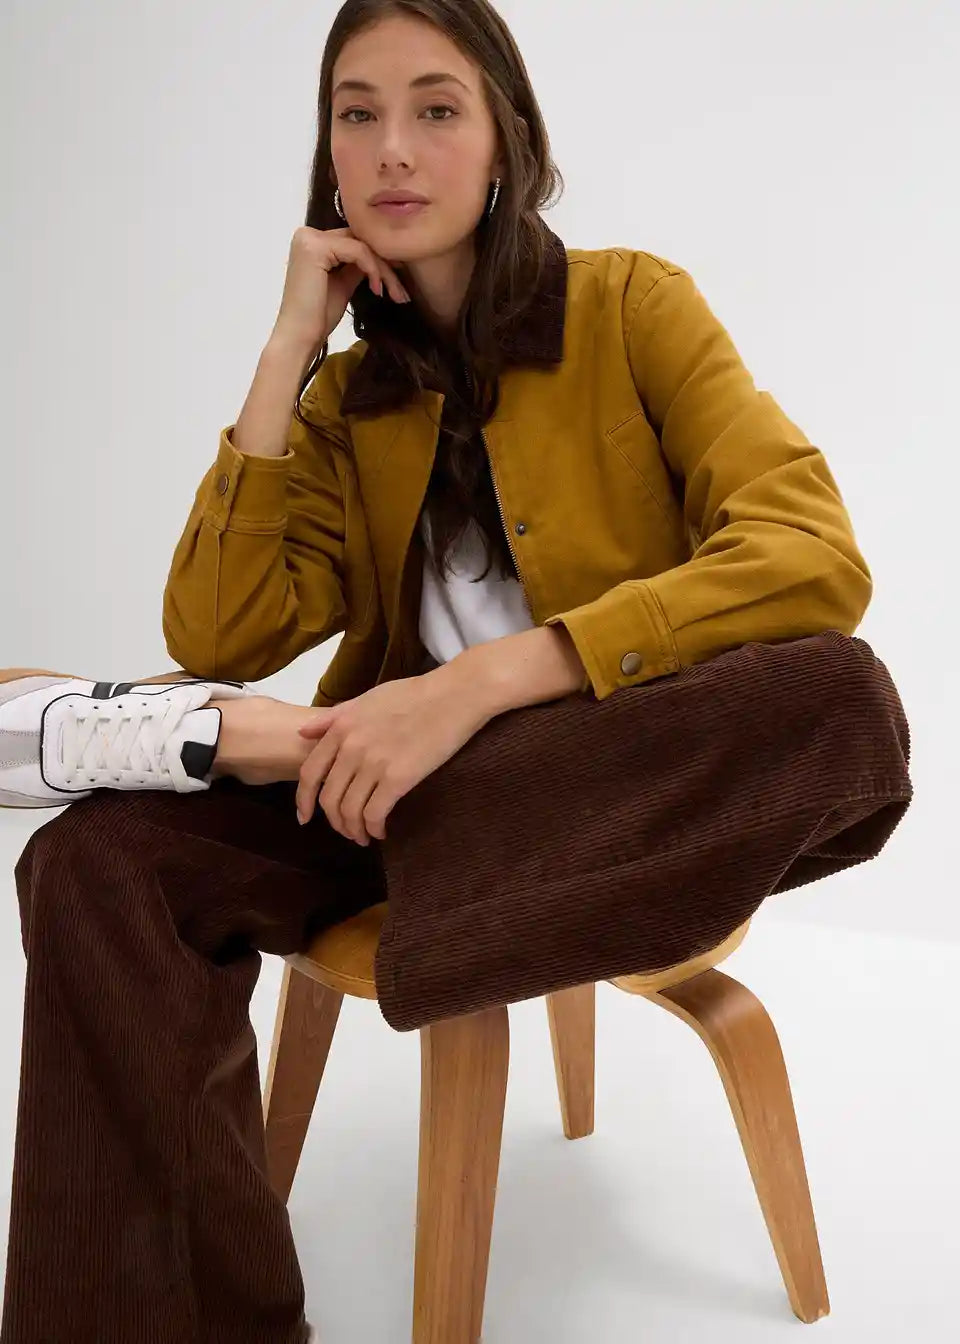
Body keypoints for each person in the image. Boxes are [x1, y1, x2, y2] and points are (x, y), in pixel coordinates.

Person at [0, 1, 873, 1340]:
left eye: (436, 108)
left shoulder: (634, 306)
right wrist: (288, 349)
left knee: (842, 699)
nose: (392, 148)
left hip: (591, 793)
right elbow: (217, 634)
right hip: (380, 798)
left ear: (506, 138)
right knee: (92, 863)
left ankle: (428, 857)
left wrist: (471, 691)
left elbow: (811, 553)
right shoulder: (346, 405)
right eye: (357, 114)